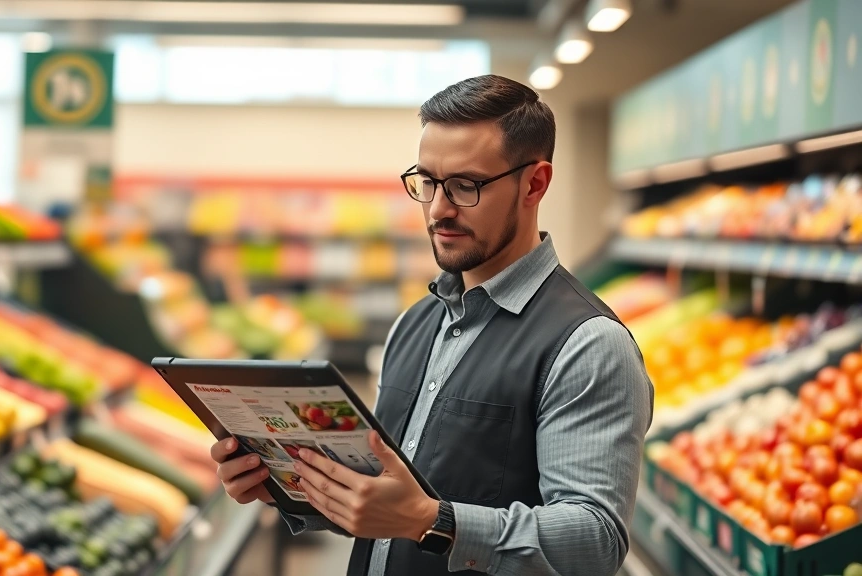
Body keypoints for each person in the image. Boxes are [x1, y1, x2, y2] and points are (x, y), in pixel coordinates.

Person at [210, 74, 654, 576]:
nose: (439, 209)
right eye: (427, 183)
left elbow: (594, 541)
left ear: (535, 183)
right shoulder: (414, 323)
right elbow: (381, 502)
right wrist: (285, 480)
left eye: (466, 186)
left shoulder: (588, 345)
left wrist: (432, 521)